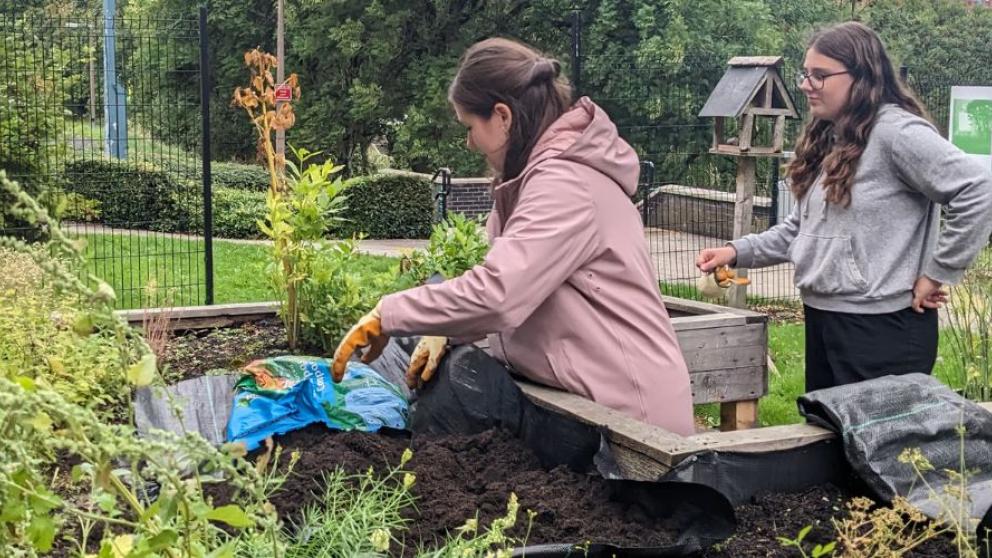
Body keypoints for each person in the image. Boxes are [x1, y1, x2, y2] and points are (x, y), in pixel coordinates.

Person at [332, 37, 695, 436]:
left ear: (502, 116)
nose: (469, 142)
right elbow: (512, 288)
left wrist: (389, 313)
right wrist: (445, 328)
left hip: (633, 420)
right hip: (587, 404)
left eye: (470, 127)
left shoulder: (564, 184)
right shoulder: (532, 181)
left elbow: (499, 294)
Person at [697, 22, 992, 392]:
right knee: (826, 428)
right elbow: (798, 231)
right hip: (825, 317)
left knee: (872, 434)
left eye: (820, 75)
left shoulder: (897, 133)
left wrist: (937, 273)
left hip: (883, 329)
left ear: (863, 77)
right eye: (805, 73)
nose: (806, 85)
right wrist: (735, 251)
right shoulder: (829, 136)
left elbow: (978, 189)